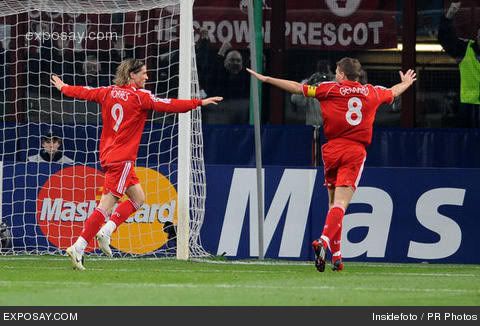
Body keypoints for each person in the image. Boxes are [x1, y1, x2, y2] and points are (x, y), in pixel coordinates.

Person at [50, 58, 223, 270]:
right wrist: (198, 103)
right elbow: (169, 105)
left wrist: (65, 87)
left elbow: (85, 92)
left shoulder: (108, 91)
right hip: (122, 159)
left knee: (138, 198)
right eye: (143, 73)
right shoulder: (140, 97)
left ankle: (106, 231)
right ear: (132, 75)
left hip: (108, 154)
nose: (147, 77)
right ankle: (79, 245)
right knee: (106, 205)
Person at [247, 57, 416, 272]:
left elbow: (298, 88)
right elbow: (393, 91)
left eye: (337, 71)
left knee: (332, 206)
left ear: (343, 75)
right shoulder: (372, 92)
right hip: (354, 151)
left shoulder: (328, 90)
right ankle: (324, 242)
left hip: (332, 150)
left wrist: (267, 78)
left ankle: (336, 257)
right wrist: (407, 83)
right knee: (341, 206)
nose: (335, 74)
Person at [438, 1, 480, 127]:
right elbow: (444, 38)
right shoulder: (464, 48)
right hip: (468, 106)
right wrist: (450, 14)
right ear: (477, 36)